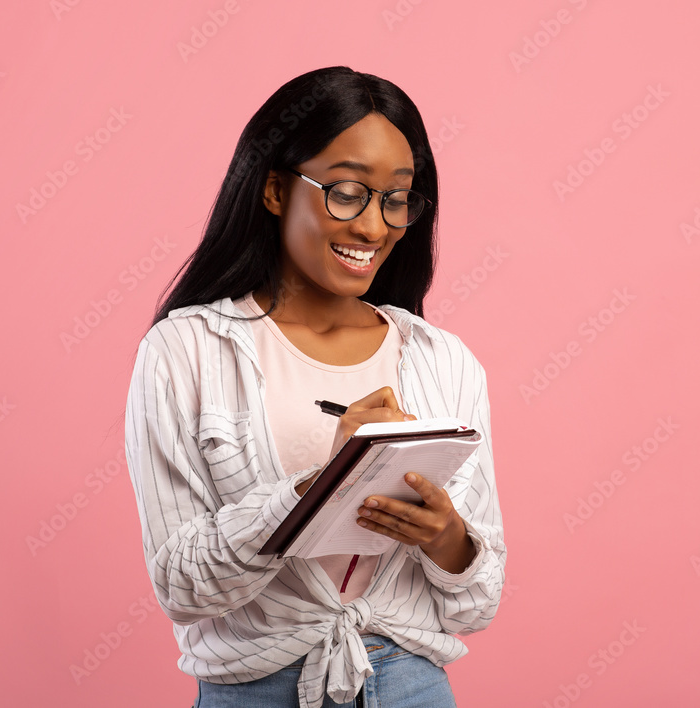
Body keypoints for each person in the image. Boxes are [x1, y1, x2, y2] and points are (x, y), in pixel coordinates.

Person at [123, 66, 506, 708]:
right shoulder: (185, 351)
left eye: (396, 199)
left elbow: (478, 604)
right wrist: (322, 484)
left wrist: (445, 537)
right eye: (348, 192)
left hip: (410, 686)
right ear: (275, 189)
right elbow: (181, 586)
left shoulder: (446, 361)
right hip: (255, 690)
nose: (374, 227)